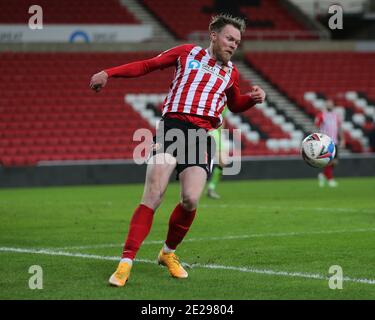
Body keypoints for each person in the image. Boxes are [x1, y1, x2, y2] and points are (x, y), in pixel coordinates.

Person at [89, 14, 266, 287]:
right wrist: (108, 73)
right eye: (230, 38)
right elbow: (148, 65)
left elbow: (235, 104)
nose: (233, 45)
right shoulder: (187, 53)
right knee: (153, 194)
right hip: (171, 129)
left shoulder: (231, 73)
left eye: (237, 42)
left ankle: (167, 253)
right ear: (214, 35)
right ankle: (126, 262)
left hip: (200, 136)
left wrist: (252, 100)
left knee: (190, 200)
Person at [315, 99, 345, 187]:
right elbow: (317, 126)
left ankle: (323, 175)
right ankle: (330, 179)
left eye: (331, 104)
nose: (329, 106)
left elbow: (339, 128)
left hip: (334, 141)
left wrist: (343, 139)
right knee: (329, 161)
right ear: (326, 105)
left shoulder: (336, 116)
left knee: (335, 161)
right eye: (328, 104)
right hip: (326, 141)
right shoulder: (322, 115)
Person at [206, 106, 231, 199]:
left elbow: (222, 119)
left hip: (216, 132)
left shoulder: (226, 103)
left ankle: (211, 188)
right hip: (207, 129)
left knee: (223, 161)